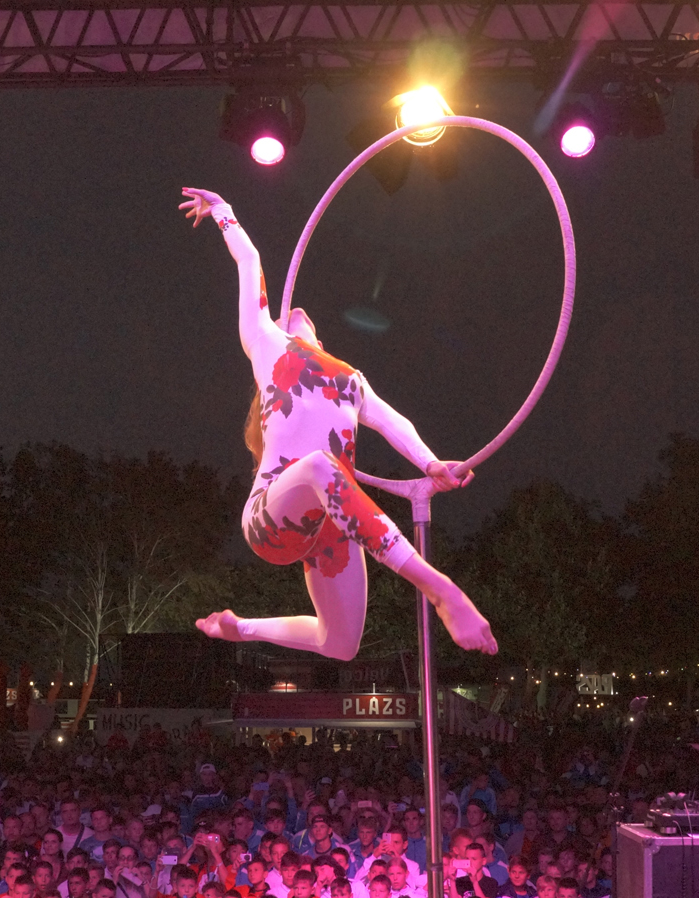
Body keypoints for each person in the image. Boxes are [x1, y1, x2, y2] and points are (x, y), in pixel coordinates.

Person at [181, 187, 497, 662]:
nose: (297, 312)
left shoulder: (350, 379)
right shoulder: (266, 344)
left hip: (334, 521)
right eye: (287, 316)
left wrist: (431, 464)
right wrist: (224, 212)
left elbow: (393, 422)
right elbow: (249, 261)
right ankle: (440, 589)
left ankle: (239, 628)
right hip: (271, 518)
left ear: (322, 341)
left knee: (341, 644)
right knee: (320, 466)